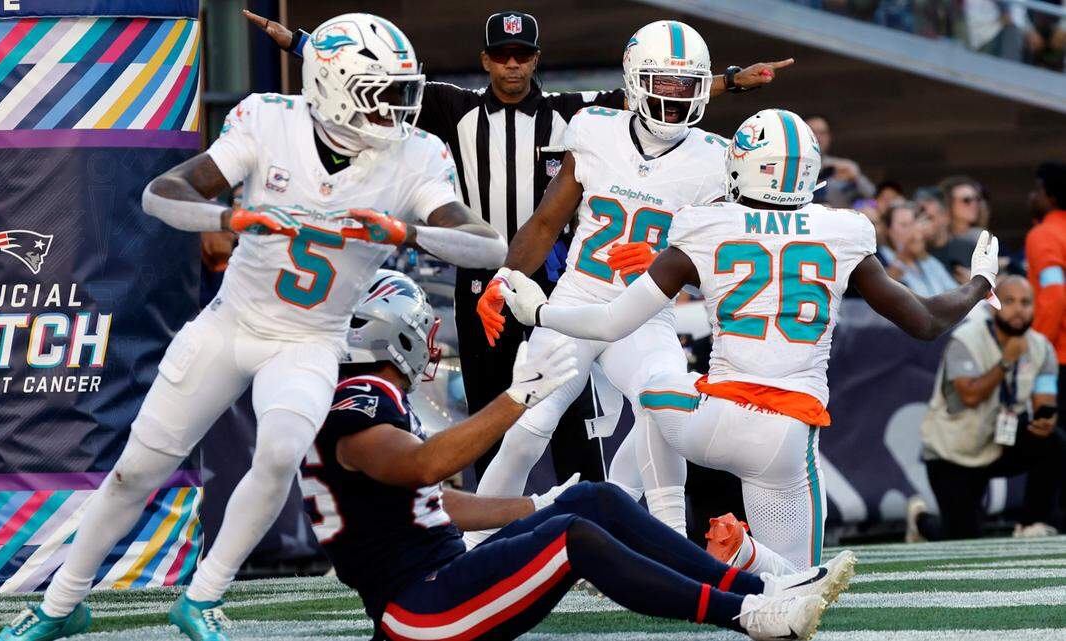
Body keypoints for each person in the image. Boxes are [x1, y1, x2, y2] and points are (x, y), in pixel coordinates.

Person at [0, 14, 508, 641]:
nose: (395, 112)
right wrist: (228, 218)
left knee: (280, 452)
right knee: (137, 470)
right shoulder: (269, 120)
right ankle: (60, 603)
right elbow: (163, 194)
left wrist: (407, 231)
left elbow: (488, 246)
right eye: (380, 94)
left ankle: (203, 597)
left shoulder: (414, 157)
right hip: (230, 324)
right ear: (333, 85)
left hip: (311, 338)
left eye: (403, 93)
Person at [245, 8, 793, 482]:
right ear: (486, 60)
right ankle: (501, 521)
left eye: (521, 55)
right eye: (502, 55)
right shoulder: (455, 108)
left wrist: (731, 82)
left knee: (566, 407)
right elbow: (376, 78)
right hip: (484, 274)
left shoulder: (571, 112)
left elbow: (656, 92)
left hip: (557, 276)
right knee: (492, 403)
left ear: (535, 60)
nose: (512, 65)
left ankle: (588, 510)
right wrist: (301, 43)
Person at [497, 108, 1001, 575]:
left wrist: (540, 310)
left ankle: (670, 536)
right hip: (786, 432)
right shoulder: (841, 231)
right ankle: (743, 551)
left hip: (707, 419)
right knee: (797, 583)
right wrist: (979, 285)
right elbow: (926, 322)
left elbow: (609, 323)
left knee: (656, 387)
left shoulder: (704, 227)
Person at [304, 270, 855, 641]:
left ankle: (759, 588)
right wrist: (515, 399)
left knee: (595, 499)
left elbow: (433, 502)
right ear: (390, 333)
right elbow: (424, 469)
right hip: (419, 610)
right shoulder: (360, 400)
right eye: (418, 323)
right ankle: (747, 614)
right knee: (574, 536)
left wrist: (534, 504)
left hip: (440, 579)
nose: (429, 335)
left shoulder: (368, 399)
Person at [472, 19, 746, 546]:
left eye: (686, 83)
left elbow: (720, 261)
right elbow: (548, 220)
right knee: (526, 430)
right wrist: (504, 278)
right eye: (661, 81)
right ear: (633, 79)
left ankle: (655, 536)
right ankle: (469, 545)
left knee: (666, 409)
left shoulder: (715, 159)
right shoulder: (594, 129)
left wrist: (672, 259)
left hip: (644, 311)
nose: (674, 94)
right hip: (578, 300)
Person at [909, 275, 1066, 541]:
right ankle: (920, 520)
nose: (1019, 309)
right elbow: (969, 396)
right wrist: (1006, 361)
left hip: (997, 442)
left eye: (1026, 302)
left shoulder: (1041, 346)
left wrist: (1045, 421)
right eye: (1010, 301)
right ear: (994, 305)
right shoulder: (966, 339)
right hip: (954, 452)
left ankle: (1033, 522)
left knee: (1053, 441)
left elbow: (1044, 401)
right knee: (962, 538)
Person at [1026, 161, 1066, 422]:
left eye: (1037, 190)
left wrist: (1036, 349)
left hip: (1057, 358)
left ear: (1050, 196)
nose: (1032, 196)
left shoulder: (1044, 235)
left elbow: (1055, 294)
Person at [880, 203, 960, 297]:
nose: (914, 231)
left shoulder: (929, 261)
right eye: (904, 225)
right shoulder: (880, 258)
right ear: (888, 231)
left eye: (914, 224)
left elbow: (956, 294)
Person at [805, 115, 875, 209]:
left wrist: (856, 178)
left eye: (822, 133)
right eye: (813, 132)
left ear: (829, 137)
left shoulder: (844, 167)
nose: (818, 137)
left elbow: (872, 196)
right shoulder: (792, 166)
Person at [940, 175, 988, 241]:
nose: (975, 204)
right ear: (948, 203)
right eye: (966, 200)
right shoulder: (937, 239)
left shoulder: (980, 237)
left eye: (977, 199)